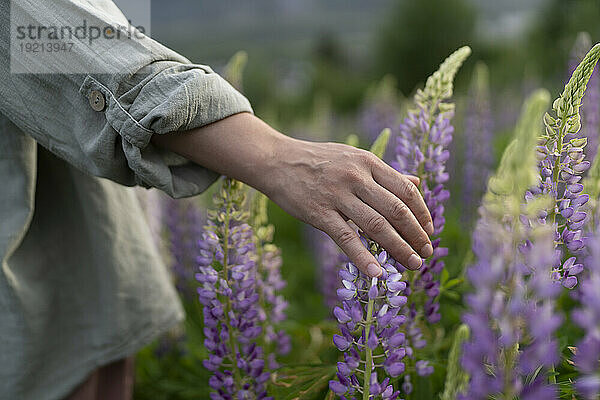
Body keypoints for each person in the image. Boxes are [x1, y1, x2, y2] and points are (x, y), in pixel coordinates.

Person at [0, 1, 433, 399]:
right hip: (36, 310)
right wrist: (272, 155)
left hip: (100, 269)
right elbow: (49, 34)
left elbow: (105, 31)